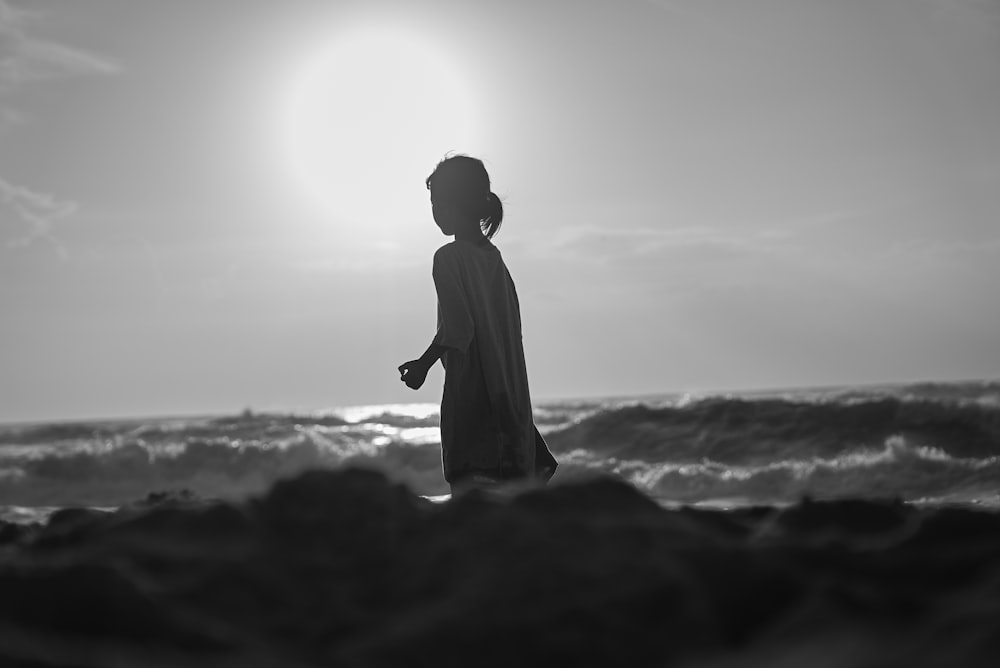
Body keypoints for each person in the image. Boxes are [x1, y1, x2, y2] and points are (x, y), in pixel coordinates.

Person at [398, 155, 557, 495]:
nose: (434, 210)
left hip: (473, 398)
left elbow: (458, 328)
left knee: (472, 508)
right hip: (509, 400)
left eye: (436, 201)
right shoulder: (495, 260)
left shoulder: (449, 258)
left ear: (454, 203)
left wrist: (422, 365)